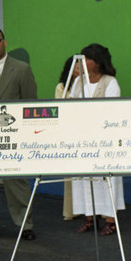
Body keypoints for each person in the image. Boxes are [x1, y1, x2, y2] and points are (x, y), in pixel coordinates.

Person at [70, 43, 125, 236]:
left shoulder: (110, 83)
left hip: (104, 141)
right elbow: (70, 105)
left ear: (97, 62)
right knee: (85, 179)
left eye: (87, 59)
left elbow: (110, 111)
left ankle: (110, 220)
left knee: (106, 179)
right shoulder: (78, 82)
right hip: (83, 139)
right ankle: (89, 217)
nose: (83, 63)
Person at [0, 27, 38, 241]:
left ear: (5, 42)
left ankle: (24, 224)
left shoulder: (21, 69)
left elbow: (31, 104)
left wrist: (29, 136)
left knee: (16, 181)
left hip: (14, 137)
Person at [56, 56, 80, 221]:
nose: (80, 71)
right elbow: (60, 108)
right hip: (70, 133)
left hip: (87, 132)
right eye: (77, 68)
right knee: (71, 176)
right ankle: (70, 210)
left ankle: (90, 211)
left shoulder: (88, 85)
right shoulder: (62, 87)